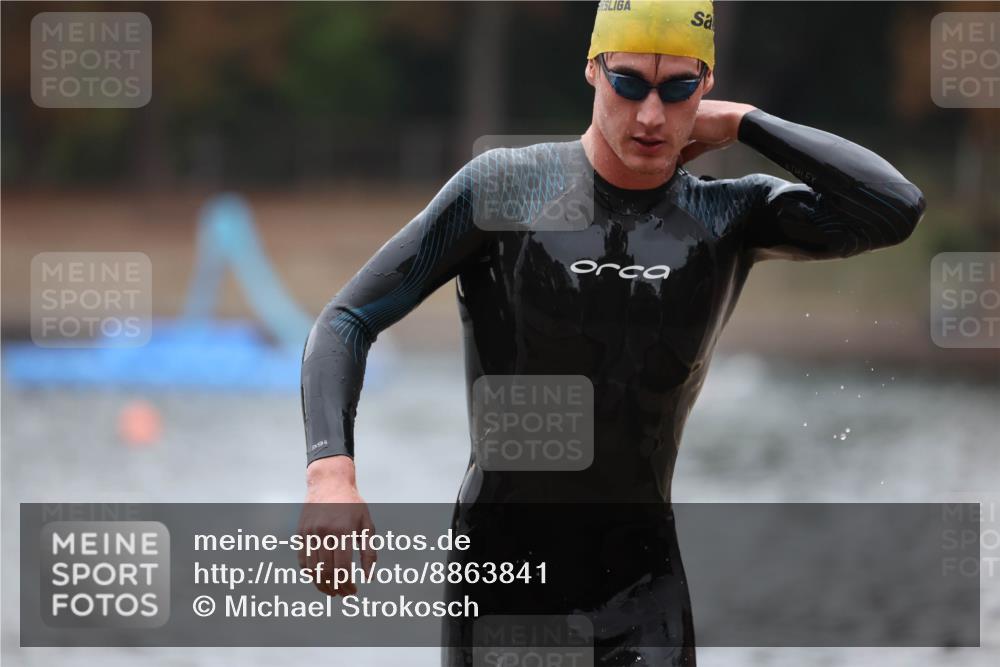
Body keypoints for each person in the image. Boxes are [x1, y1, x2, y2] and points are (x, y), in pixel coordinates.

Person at [298, 1, 926, 664]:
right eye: (629, 83)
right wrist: (330, 475)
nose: (651, 116)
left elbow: (894, 208)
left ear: (706, 86)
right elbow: (347, 318)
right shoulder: (506, 189)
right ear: (593, 69)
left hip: (644, 597)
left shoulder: (727, 216)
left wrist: (747, 122)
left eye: (676, 89)